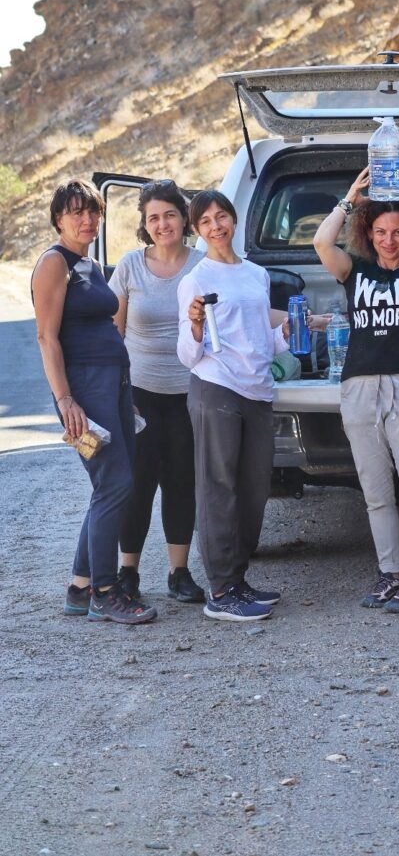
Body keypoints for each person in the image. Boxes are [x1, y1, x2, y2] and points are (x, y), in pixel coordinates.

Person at [313, 157, 399, 613]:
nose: (388, 239)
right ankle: (391, 574)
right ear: (368, 235)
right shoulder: (355, 271)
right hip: (359, 386)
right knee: (375, 492)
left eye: (397, 231)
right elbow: (320, 240)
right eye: (380, 232)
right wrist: (350, 201)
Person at [31, 180, 157, 624]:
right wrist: (66, 399)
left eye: (93, 212)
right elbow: (47, 337)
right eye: (76, 213)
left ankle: (79, 588)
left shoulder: (91, 265)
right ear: (58, 218)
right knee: (118, 482)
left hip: (115, 389)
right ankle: (106, 591)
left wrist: (127, 398)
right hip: (84, 393)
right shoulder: (54, 263)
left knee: (111, 485)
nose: (87, 220)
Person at [177, 190, 287, 623]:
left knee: (254, 490)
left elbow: (263, 339)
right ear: (197, 230)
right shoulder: (196, 279)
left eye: (221, 216)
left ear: (234, 219)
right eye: (205, 221)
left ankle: (238, 579)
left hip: (258, 389)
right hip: (216, 387)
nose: (216, 226)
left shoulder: (256, 274)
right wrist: (196, 325)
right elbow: (188, 355)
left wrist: (296, 329)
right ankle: (220, 591)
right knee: (218, 488)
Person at [109, 179, 206, 604]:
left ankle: (179, 572)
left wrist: (303, 319)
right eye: (153, 217)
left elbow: (243, 307)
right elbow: (112, 332)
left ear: (184, 219)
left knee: (182, 482)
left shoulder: (202, 265)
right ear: (144, 225)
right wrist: (114, 391)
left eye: (170, 214)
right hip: (140, 394)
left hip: (191, 392)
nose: (162, 223)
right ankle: (127, 572)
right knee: (138, 483)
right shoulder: (129, 266)